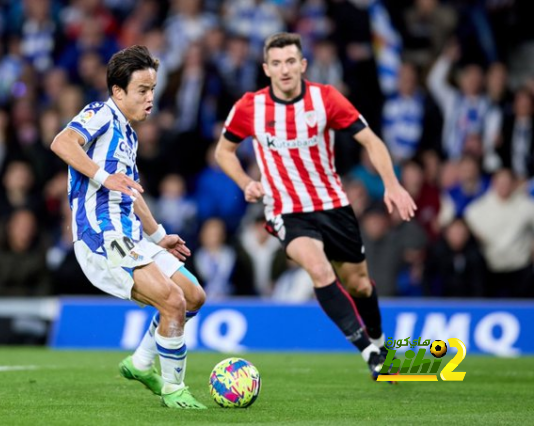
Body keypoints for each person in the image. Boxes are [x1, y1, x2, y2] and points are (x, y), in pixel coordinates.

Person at [215, 33, 417, 380]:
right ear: (266, 69)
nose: (284, 69)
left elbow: (370, 139)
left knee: (360, 285)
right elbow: (224, 151)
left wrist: (392, 183)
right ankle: (370, 353)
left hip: (332, 205)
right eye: (276, 63)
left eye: (291, 61)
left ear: (303, 65)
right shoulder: (250, 107)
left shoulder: (326, 99)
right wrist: (246, 183)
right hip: (285, 210)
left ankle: (380, 342)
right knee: (320, 271)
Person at [50, 45, 207, 409]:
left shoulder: (129, 135)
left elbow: (132, 192)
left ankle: (139, 363)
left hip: (131, 234)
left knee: (193, 297)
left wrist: (158, 235)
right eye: (142, 90)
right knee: (172, 300)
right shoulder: (100, 113)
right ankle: (173, 389)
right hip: (102, 236)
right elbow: (62, 142)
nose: (150, 98)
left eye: (152, 89)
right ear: (118, 91)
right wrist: (104, 177)